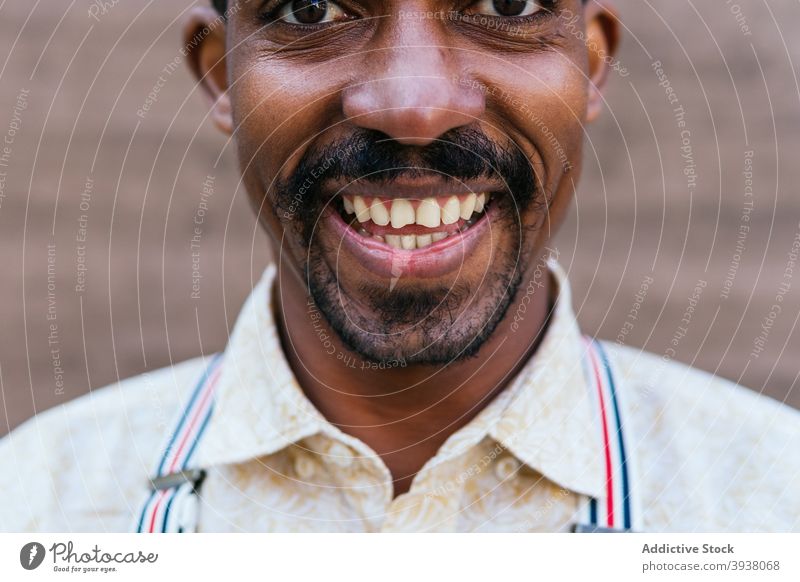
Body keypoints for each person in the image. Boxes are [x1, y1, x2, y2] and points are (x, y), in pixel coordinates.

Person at [1, 0, 798, 533]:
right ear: (221, 73)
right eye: (311, 7)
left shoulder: (773, 501)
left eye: (507, 5)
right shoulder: (37, 505)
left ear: (588, 65)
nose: (415, 103)